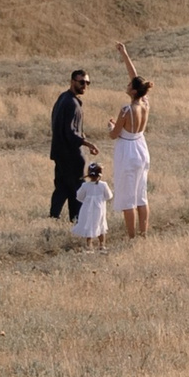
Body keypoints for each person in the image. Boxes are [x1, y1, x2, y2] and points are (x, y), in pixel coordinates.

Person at [110, 42, 152, 239]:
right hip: (141, 147)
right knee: (141, 194)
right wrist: (124, 54)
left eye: (129, 86)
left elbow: (114, 134)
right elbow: (134, 76)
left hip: (127, 151)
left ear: (134, 91)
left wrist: (111, 126)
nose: (127, 85)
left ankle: (131, 236)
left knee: (127, 197)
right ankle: (143, 233)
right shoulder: (145, 103)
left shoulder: (126, 110)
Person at [48, 67, 92, 222]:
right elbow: (70, 131)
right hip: (71, 154)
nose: (84, 86)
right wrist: (86, 143)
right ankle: (76, 219)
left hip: (60, 152)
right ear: (72, 81)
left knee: (62, 187)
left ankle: (54, 218)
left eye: (87, 82)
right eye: (81, 82)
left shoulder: (63, 98)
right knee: (77, 188)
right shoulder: (72, 103)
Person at [70, 160, 113, 251]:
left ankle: (89, 245)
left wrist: (87, 201)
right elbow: (109, 196)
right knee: (101, 226)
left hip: (87, 210)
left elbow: (79, 196)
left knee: (89, 226)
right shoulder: (103, 185)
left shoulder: (85, 185)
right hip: (100, 211)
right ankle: (102, 245)